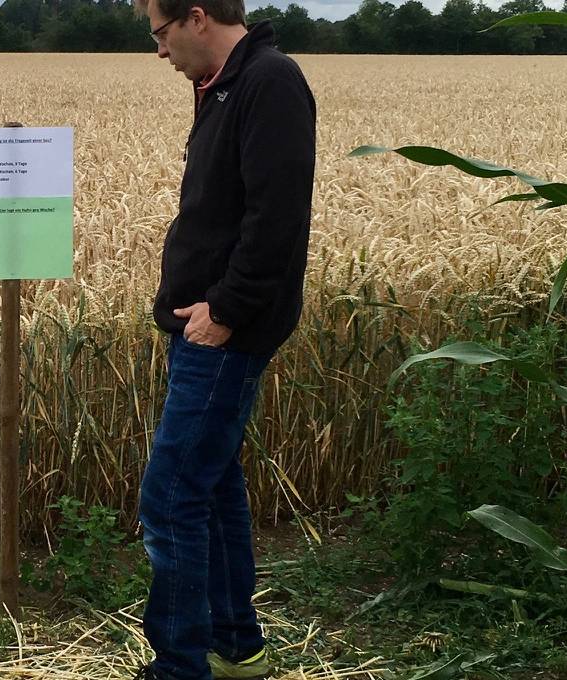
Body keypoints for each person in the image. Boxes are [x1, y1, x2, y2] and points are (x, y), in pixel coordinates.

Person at [132, 0, 317, 677]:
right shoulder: (227, 83)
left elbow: (277, 217)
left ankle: (179, 666)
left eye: (160, 33)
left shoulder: (269, 81)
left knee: (170, 496)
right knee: (209, 487)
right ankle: (235, 646)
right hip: (205, 326)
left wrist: (227, 310)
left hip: (224, 335)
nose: (160, 51)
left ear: (197, 17)